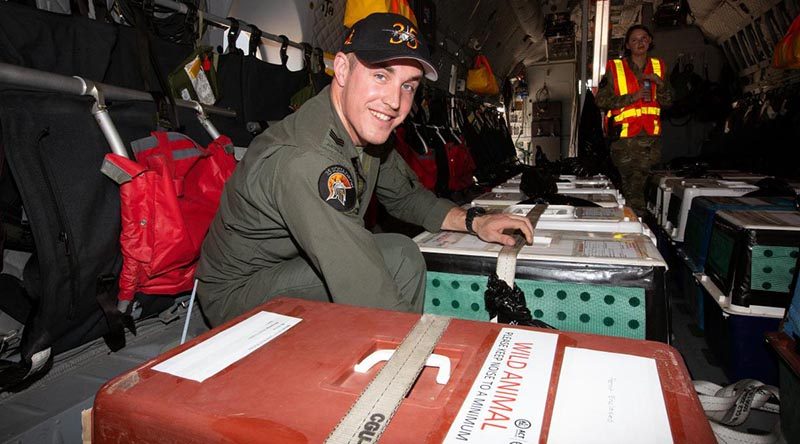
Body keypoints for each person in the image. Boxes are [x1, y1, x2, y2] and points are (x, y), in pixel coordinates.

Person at [196, 13, 534, 326]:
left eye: (408, 86)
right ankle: (385, 377)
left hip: (287, 266)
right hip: (238, 293)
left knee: (400, 253)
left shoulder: (366, 132)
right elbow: (366, 290)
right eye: (381, 75)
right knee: (396, 262)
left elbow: (408, 198)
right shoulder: (307, 158)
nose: (394, 101)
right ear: (342, 70)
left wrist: (476, 221)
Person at [595, 24, 673, 213]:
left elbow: (668, 102)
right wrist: (633, 97)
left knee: (642, 188)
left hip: (649, 141)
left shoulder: (659, 67)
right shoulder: (615, 68)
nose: (640, 42)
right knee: (631, 189)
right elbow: (601, 101)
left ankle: (636, 223)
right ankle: (634, 224)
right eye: (635, 39)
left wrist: (659, 84)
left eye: (644, 38)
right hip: (625, 141)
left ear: (650, 41)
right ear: (628, 45)